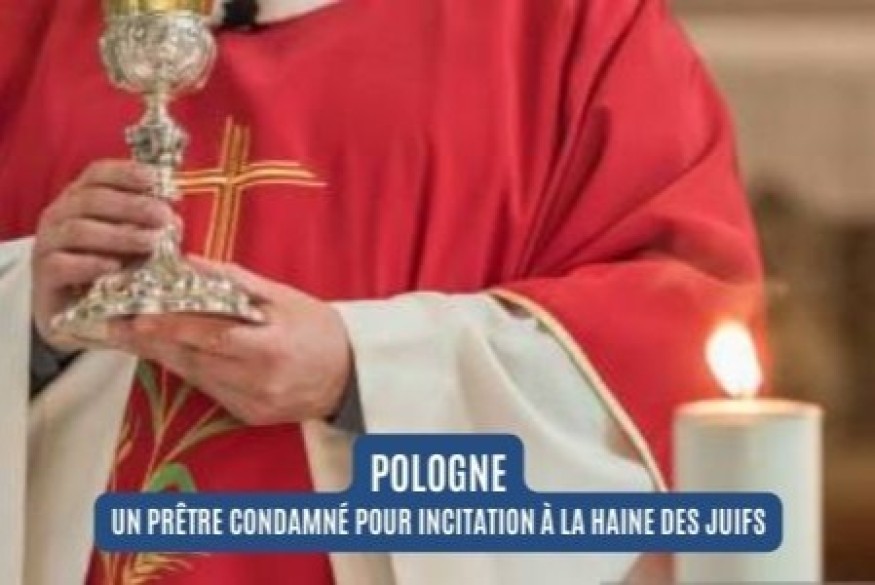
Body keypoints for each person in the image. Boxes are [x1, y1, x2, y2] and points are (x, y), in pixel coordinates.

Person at [0, 0, 763, 583]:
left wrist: (361, 371)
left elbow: (670, 336)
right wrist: (28, 315)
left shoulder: (568, 30)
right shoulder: (34, 26)